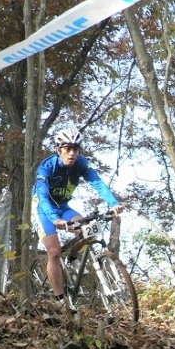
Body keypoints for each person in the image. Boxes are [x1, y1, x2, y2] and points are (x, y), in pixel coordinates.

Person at [31, 128, 124, 305]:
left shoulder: (81, 163)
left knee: (91, 230)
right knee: (55, 251)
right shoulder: (47, 167)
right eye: (67, 148)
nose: (72, 153)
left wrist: (113, 203)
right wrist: (55, 219)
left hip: (64, 207)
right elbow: (42, 197)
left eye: (76, 149)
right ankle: (60, 299)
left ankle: (73, 256)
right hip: (43, 209)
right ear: (59, 149)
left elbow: (97, 183)